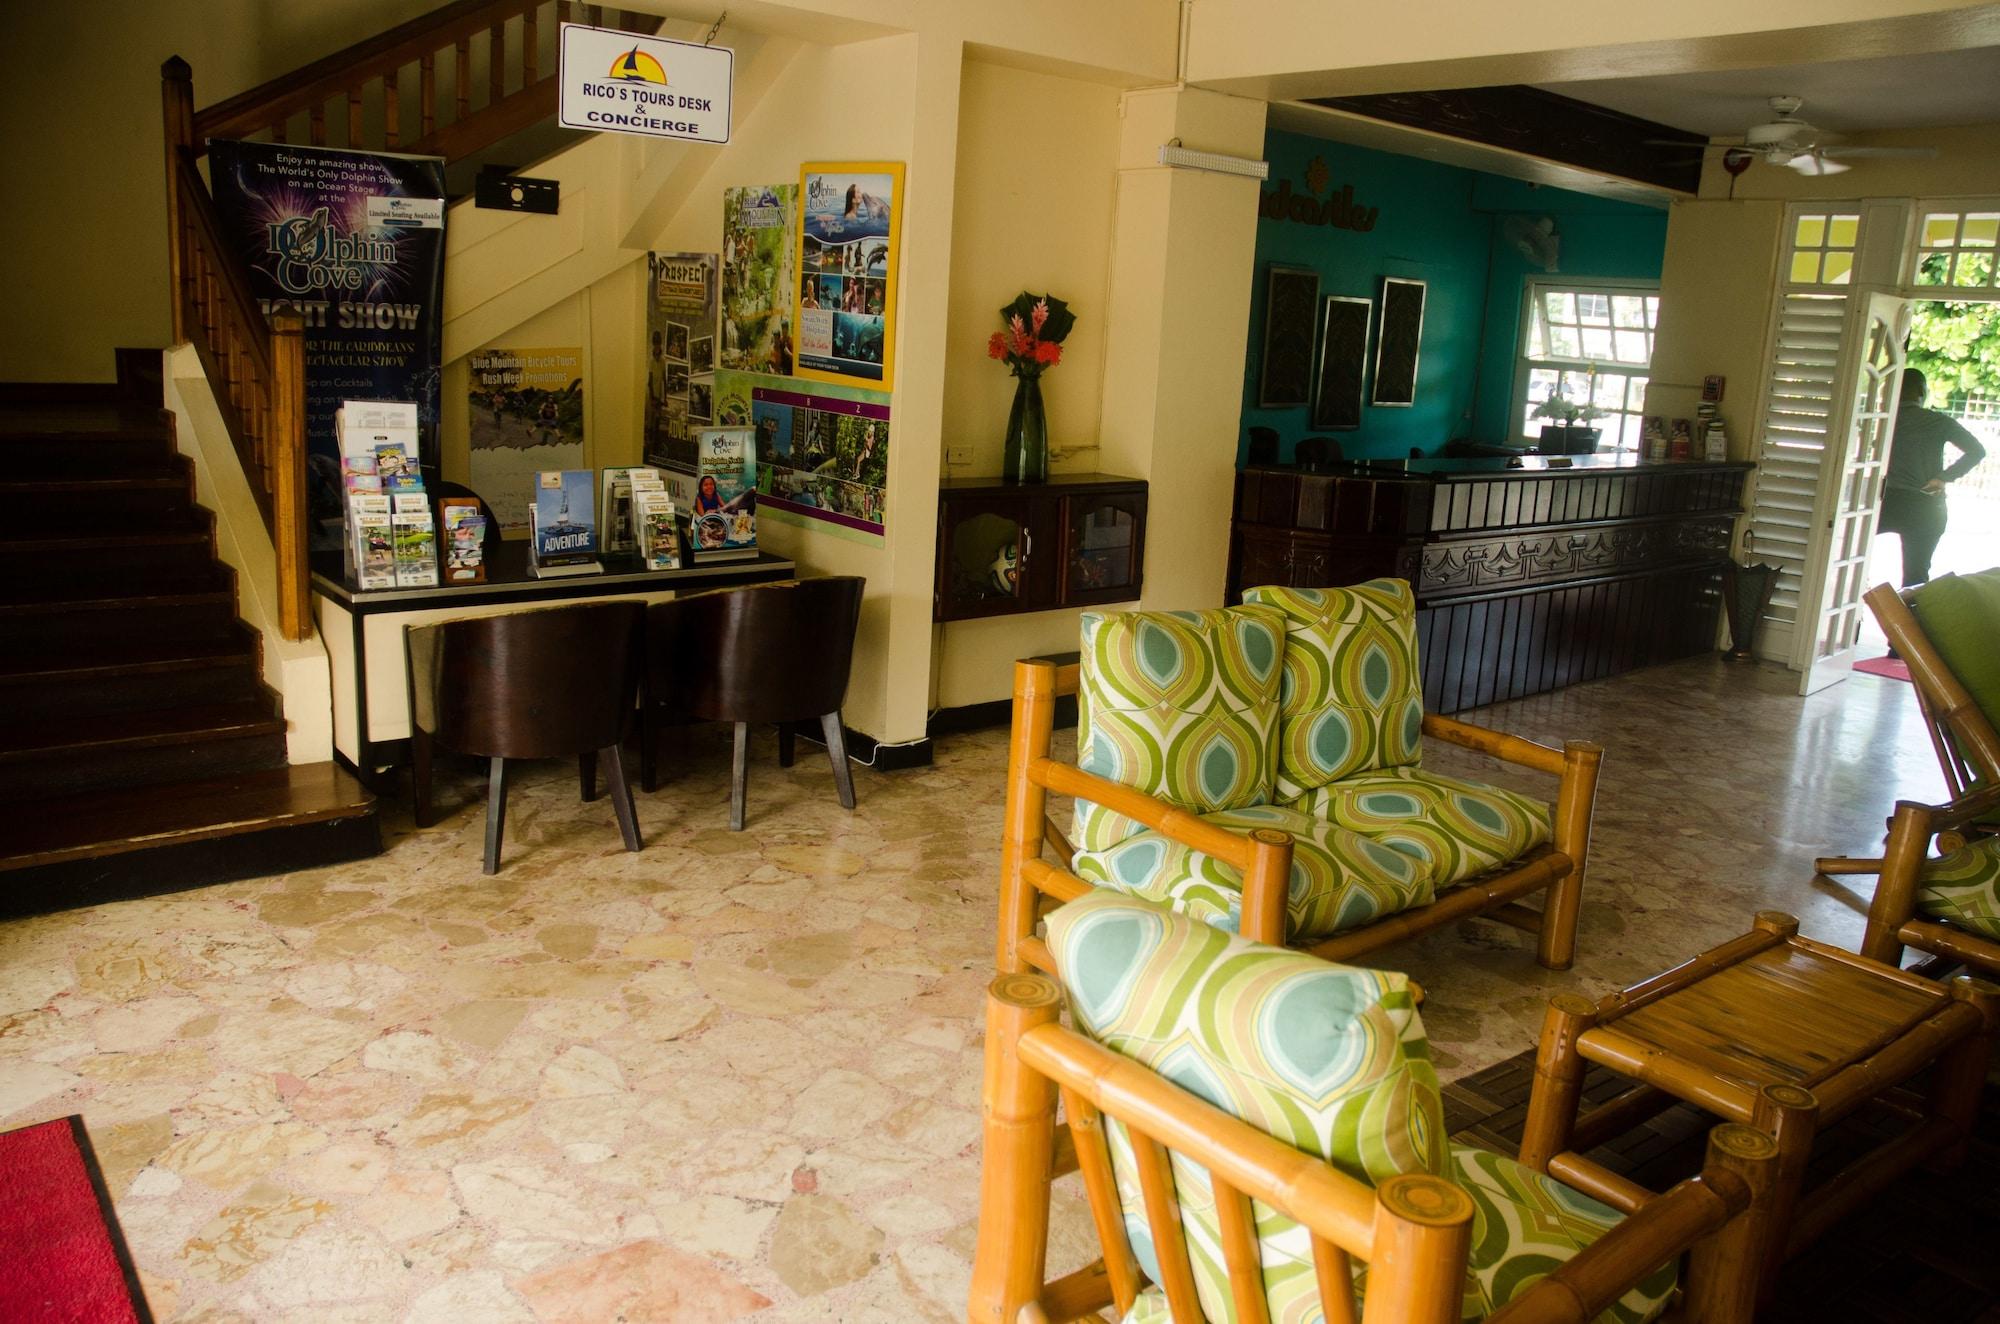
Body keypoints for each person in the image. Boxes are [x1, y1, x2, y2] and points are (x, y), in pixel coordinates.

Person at [1880, 367, 1987, 587]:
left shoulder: (1883, 420)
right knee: (1916, 577)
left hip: (1885, 501)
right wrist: (1944, 477)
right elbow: (1977, 451)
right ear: (1921, 390)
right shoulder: (1937, 421)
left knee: (1849, 556)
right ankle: (1911, 617)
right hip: (1925, 504)